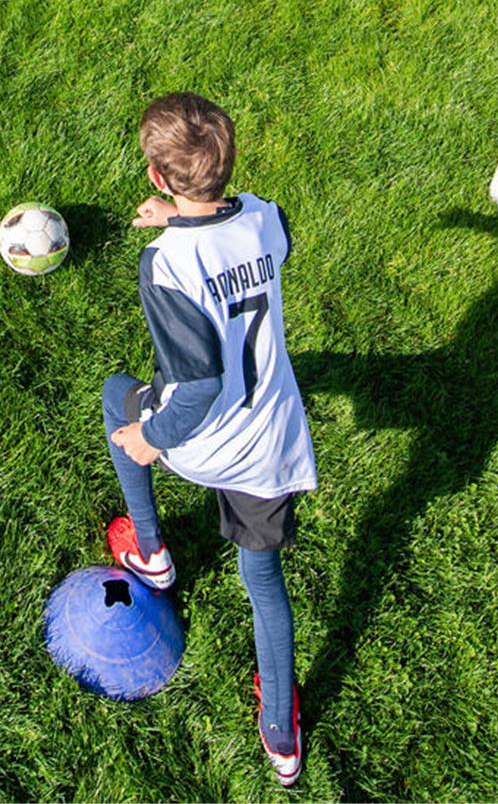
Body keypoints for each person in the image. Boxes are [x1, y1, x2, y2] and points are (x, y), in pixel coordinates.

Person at [100, 92, 317, 786]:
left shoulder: (165, 265)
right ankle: (282, 737)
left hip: (202, 437)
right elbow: (253, 234)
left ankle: (152, 551)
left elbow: (195, 386)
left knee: (116, 397)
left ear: (159, 178)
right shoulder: (264, 217)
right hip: (270, 444)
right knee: (263, 582)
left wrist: (151, 438)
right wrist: (186, 218)